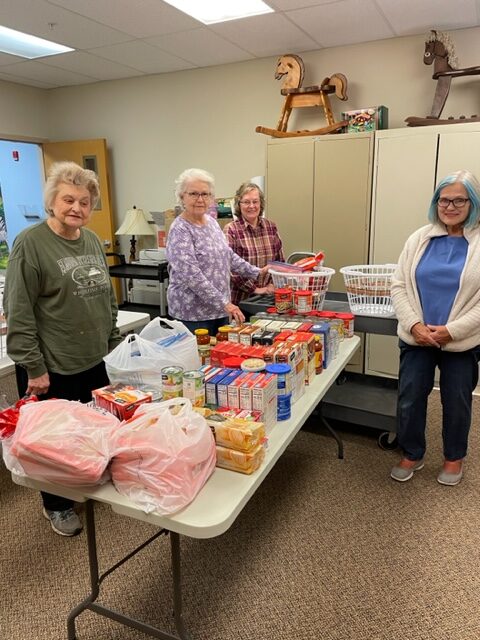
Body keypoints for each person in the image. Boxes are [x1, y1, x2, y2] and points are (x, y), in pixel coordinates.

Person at [4, 161, 122, 535]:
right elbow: (18, 311)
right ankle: (55, 504)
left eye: (85, 202)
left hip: (92, 358)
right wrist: (33, 366)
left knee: (91, 427)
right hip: (51, 364)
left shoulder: (89, 240)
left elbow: (106, 296)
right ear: (52, 202)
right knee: (52, 441)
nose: (77, 208)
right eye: (68, 199)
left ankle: (83, 481)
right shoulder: (31, 243)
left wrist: (112, 339)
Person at [390, 169, 480, 486]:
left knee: (456, 400)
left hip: (461, 341)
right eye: (444, 199)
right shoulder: (419, 238)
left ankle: (453, 458)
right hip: (417, 337)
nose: (450, 206)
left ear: (473, 203)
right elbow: (399, 286)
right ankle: (412, 452)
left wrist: (451, 330)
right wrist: (414, 324)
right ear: (435, 203)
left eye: (459, 200)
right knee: (410, 396)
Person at [166, 168, 268, 334]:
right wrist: (224, 303)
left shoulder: (211, 223)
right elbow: (192, 276)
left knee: (219, 356)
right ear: (182, 196)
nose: (200, 199)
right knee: (198, 358)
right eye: (193, 194)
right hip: (192, 315)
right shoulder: (180, 229)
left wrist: (257, 272)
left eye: (205, 194)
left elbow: (227, 255)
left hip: (219, 310)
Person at [224, 182, 284, 304]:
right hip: (241, 301)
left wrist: (272, 285)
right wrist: (256, 289)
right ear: (239, 205)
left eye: (255, 201)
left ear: (260, 203)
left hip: (269, 298)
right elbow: (230, 268)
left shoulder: (270, 227)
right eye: (246, 202)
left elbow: (280, 261)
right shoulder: (231, 230)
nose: (251, 206)